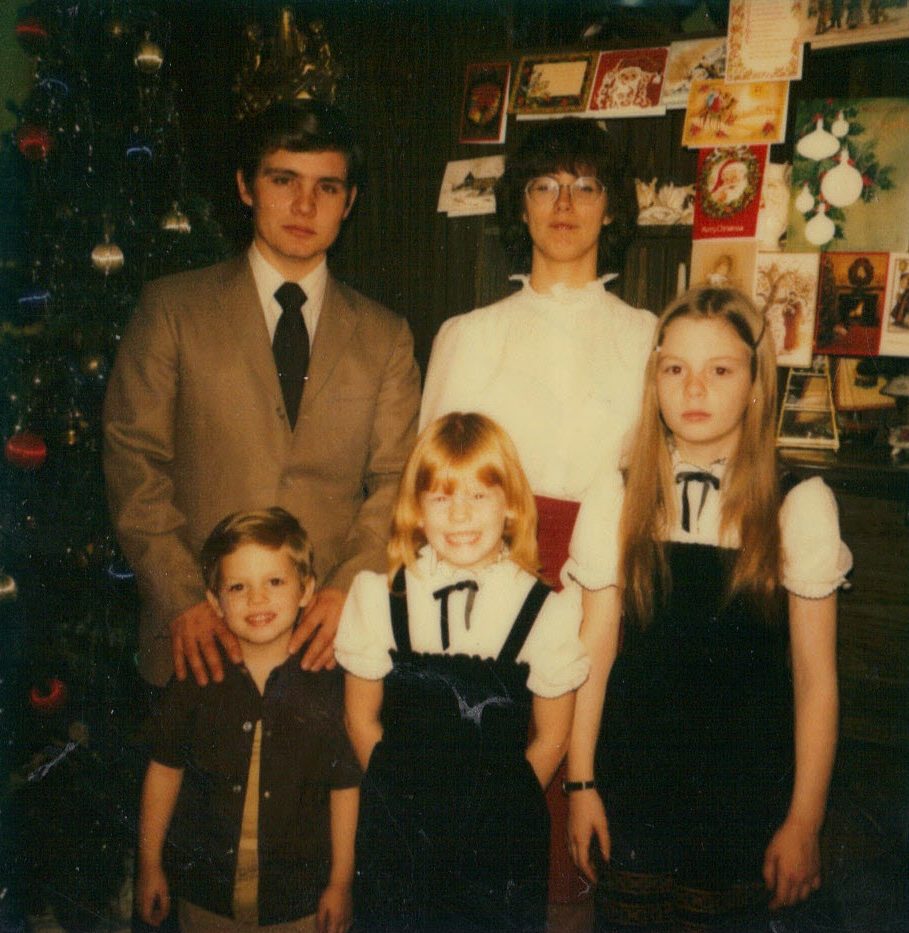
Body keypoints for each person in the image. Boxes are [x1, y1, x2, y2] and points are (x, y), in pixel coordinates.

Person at [103, 99, 421, 694]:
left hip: (328, 644)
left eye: (327, 188)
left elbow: (397, 481)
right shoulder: (173, 309)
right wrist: (181, 598)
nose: (304, 205)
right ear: (245, 187)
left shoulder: (385, 337)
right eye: (283, 181)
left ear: (349, 202)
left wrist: (349, 589)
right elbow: (133, 461)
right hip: (198, 638)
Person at [420, 116, 655, 902]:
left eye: (585, 186)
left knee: (571, 817)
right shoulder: (468, 333)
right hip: (486, 584)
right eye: (544, 185)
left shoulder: (647, 337)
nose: (563, 203)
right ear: (517, 205)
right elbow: (429, 486)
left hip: (601, 593)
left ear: (610, 207)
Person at [566, 286, 851, 931]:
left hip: (744, 789)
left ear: (754, 385)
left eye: (719, 370)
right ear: (655, 381)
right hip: (635, 779)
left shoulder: (799, 503)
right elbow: (596, 649)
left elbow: (816, 680)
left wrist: (804, 820)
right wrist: (581, 784)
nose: (694, 388)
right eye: (675, 369)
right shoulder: (618, 494)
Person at [335, 412, 589, 931]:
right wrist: (404, 806)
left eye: (478, 495)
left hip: (498, 846)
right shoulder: (380, 598)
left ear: (510, 505)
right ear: (416, 510)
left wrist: (496, 813)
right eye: (441, 497)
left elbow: (553, 736)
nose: (460, 515)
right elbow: (360, 719)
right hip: (399, 838)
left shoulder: (545, 612)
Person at [136, 508, 360, 933]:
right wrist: (149, 865)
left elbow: (345, 788)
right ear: (214, 602)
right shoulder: (195, 677)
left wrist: (341, 883)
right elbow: (164, 770)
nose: (257, 599)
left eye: (275, 582)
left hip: (300, 903)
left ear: (306, 590)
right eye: (238, 587)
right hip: (205, 898)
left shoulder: (330, 684)